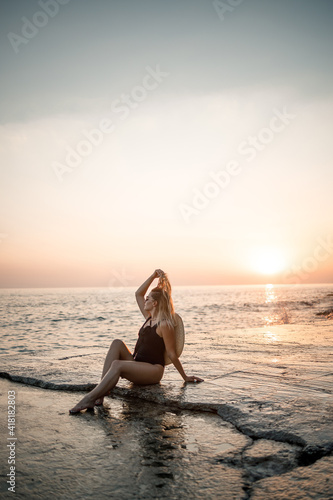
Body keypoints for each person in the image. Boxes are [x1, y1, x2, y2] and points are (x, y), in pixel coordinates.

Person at [69, 269, 203, 414]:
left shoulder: (164, 324)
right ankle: (100, 394)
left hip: (153, 370)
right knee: (117, 343)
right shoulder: (149, 318)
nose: (145, 299)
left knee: (117, 365)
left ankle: (89, 398)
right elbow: (137, 294)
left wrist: (185, 377)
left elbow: (171, 353)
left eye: (148, 299)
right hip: (138, 363)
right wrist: (153, 276)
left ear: (155, 303)